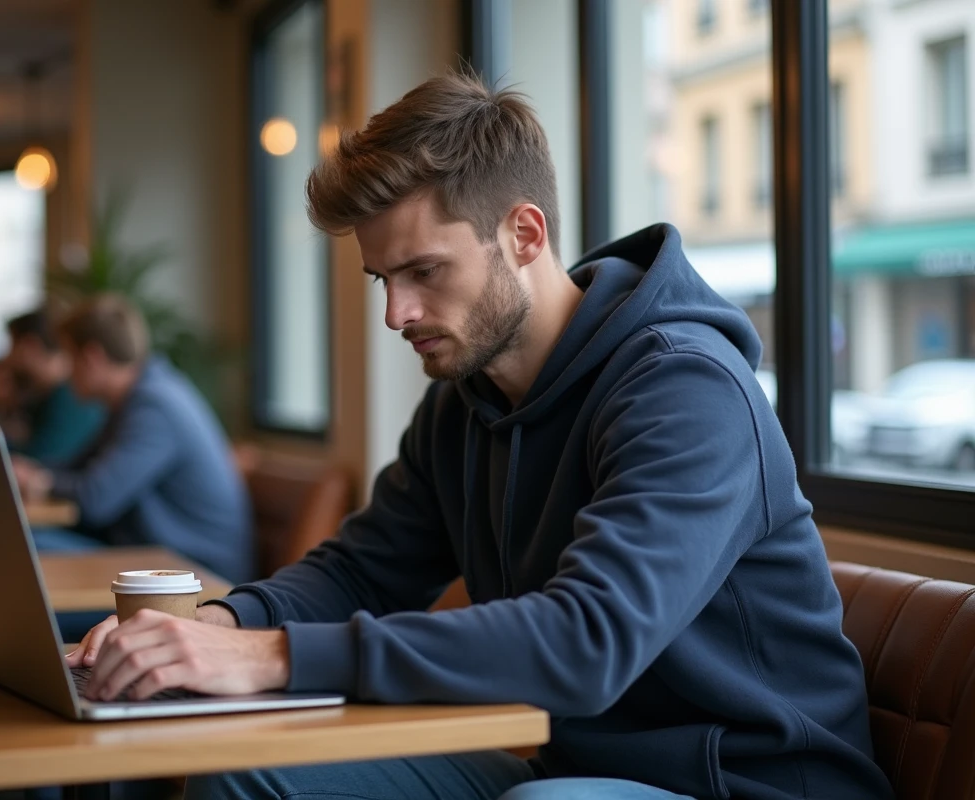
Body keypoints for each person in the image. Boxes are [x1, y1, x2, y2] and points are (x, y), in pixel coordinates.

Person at [64, 75, 894, 800]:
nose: (398, 313)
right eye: (383, 279)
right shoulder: (466, 397)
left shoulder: (685, 388)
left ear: (524, 235)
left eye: (425, 271)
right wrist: (223, 623)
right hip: (573, 772)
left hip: (745, 784)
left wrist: (267, 658)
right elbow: (363, 568)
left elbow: (585, 643)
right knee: (244, 767)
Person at [12, 295, 254, 585]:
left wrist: (43, 481)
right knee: (20, 544)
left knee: (19, 550)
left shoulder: (155, 407)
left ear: (92, 358)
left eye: (69, 357)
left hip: (194, 575)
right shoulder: (136, 398)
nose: (65, 372)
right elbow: (81, 467)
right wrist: (36, 472)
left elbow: (97, 498)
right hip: (156, 559)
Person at [2, 309, 105, 467]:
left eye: (12, 345)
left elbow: (38, 465)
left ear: (31, 345)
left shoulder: (71, 396)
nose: (8, 357)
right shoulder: (48, 395)